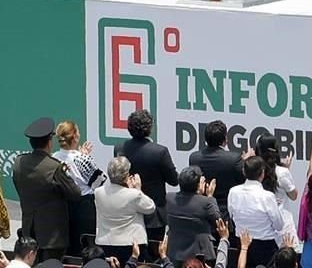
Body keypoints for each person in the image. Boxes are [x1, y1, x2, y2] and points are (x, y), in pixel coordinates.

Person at [12, 117, 83, 262]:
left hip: (28, 232)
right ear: (49, 142)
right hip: (53, 238)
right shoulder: (54, 167)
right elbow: (75, 194)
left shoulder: (19, 162)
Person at [113, 110, 179, 249]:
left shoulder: (120, 148)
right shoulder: (159, 151)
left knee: (131, 253)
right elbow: (174, 180)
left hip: (127, 211)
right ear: (150, 128)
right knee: (155, 255)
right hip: (154, 215)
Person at [52, 121, 104, 257]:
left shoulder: (53, 158)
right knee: (86, 249)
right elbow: (99, 182)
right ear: (75, 137)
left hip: (62, 207)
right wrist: (85, 156)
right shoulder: (82, 159)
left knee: (68, 247)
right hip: (84, 208)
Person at [94, 156, 156, 265]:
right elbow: (150, 207)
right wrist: (138, 189)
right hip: (131, 246)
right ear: (126, 176)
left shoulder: (98, 192)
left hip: (105, 244)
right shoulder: (134, 195)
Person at [188, 121, 248, 232]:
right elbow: (243, 181)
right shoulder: (234, 159)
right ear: (225, 139)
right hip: (226, 215)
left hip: (202, 213)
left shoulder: (194, 157)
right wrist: (246, 162)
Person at [227, 157, 285, 268]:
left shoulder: (233, 192)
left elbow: (231, 215)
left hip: (242, 243)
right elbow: (279, 225)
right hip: (265, 248)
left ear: (244, 171)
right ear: (262, 173)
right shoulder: (267, 196)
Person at [165, 166, 220, 265]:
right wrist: (210, 196)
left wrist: (198, 193)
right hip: (199, 254)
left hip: (175, 251)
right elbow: (219, 221)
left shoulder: (169, 197)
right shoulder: (206, 202)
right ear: (199, 185)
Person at [256, 134, 300, 251]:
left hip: (262, 226)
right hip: (283, 226)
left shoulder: (255, 172)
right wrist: (286, 170)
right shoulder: (282, 172)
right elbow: (294, 195)